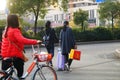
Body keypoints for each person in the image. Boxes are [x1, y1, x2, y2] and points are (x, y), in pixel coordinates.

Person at [1, 14, 42, 79]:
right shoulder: (14, 30)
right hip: (15, 57)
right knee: (20, 74)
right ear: (16, 21)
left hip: (5, 57)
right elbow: (22, 40)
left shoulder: (6, 31)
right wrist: (35, 42)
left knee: (6, 76)